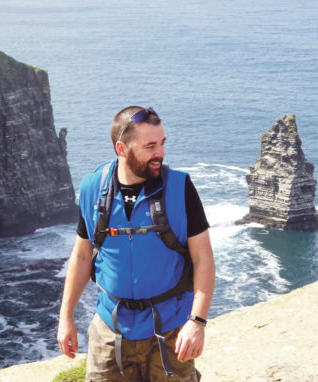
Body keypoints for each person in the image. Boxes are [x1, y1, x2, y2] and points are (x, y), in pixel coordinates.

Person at [57, 106, 215, 382]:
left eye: (162, 143)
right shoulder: (93, 187)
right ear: (122, 148)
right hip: (110, 328)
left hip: (172, 329)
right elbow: (82, 256)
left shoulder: (180, 187)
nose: (160, 153)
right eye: (150, 146)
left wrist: (197, 323)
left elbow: (203, 259)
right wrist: (66, 317)